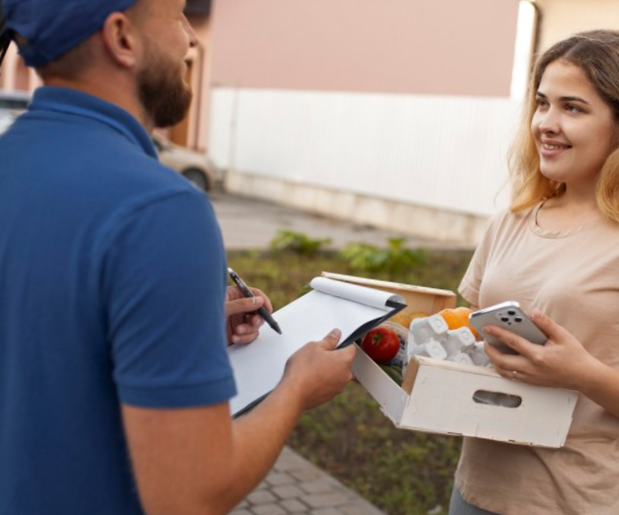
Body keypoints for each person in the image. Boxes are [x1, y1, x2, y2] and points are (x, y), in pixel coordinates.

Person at [0, 1, 356, 514]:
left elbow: (41, 349)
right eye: (176, 16)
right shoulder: (159, 210)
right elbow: (190, 495)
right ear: (122, 37)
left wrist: (177, 333)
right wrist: (296, 388)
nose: (191, 38)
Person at [450, 30, 619, 515]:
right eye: (542, 103)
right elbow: (473, 341)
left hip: (586, 499)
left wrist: (583, 375)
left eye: (573, 108)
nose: (546, 124)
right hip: (479, 490)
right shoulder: (513, 219)